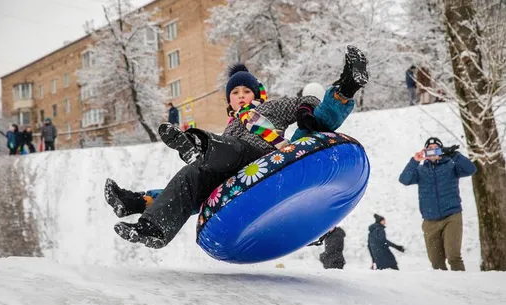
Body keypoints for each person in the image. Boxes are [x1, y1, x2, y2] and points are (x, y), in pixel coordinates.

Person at [105, 45, 369, 249]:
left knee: (235, 149)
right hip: (233, 170)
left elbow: (307, 100)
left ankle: (348, 84)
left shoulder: (269, 108)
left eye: (246, 91)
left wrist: (304, 106)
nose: (241, 95)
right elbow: (198, 190)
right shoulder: (231, 126)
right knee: (192, 176)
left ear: (256, 94)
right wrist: (141, 201)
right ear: (229, 102)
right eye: (235, 93)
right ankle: (150, 224)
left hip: (264, 160)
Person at [399, 137, 477, 271]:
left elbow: (471, 169)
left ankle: (463, 286)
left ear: (441, 151)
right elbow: (404, 179)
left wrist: (455, 155)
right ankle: (444, 290)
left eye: (436, 148)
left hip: (451, 217)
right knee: (436, 262)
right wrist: (414, 161)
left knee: (453, 256)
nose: (432, 151)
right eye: (429, 149)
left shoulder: (451, 166)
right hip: (430, 221)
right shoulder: (420, 171)